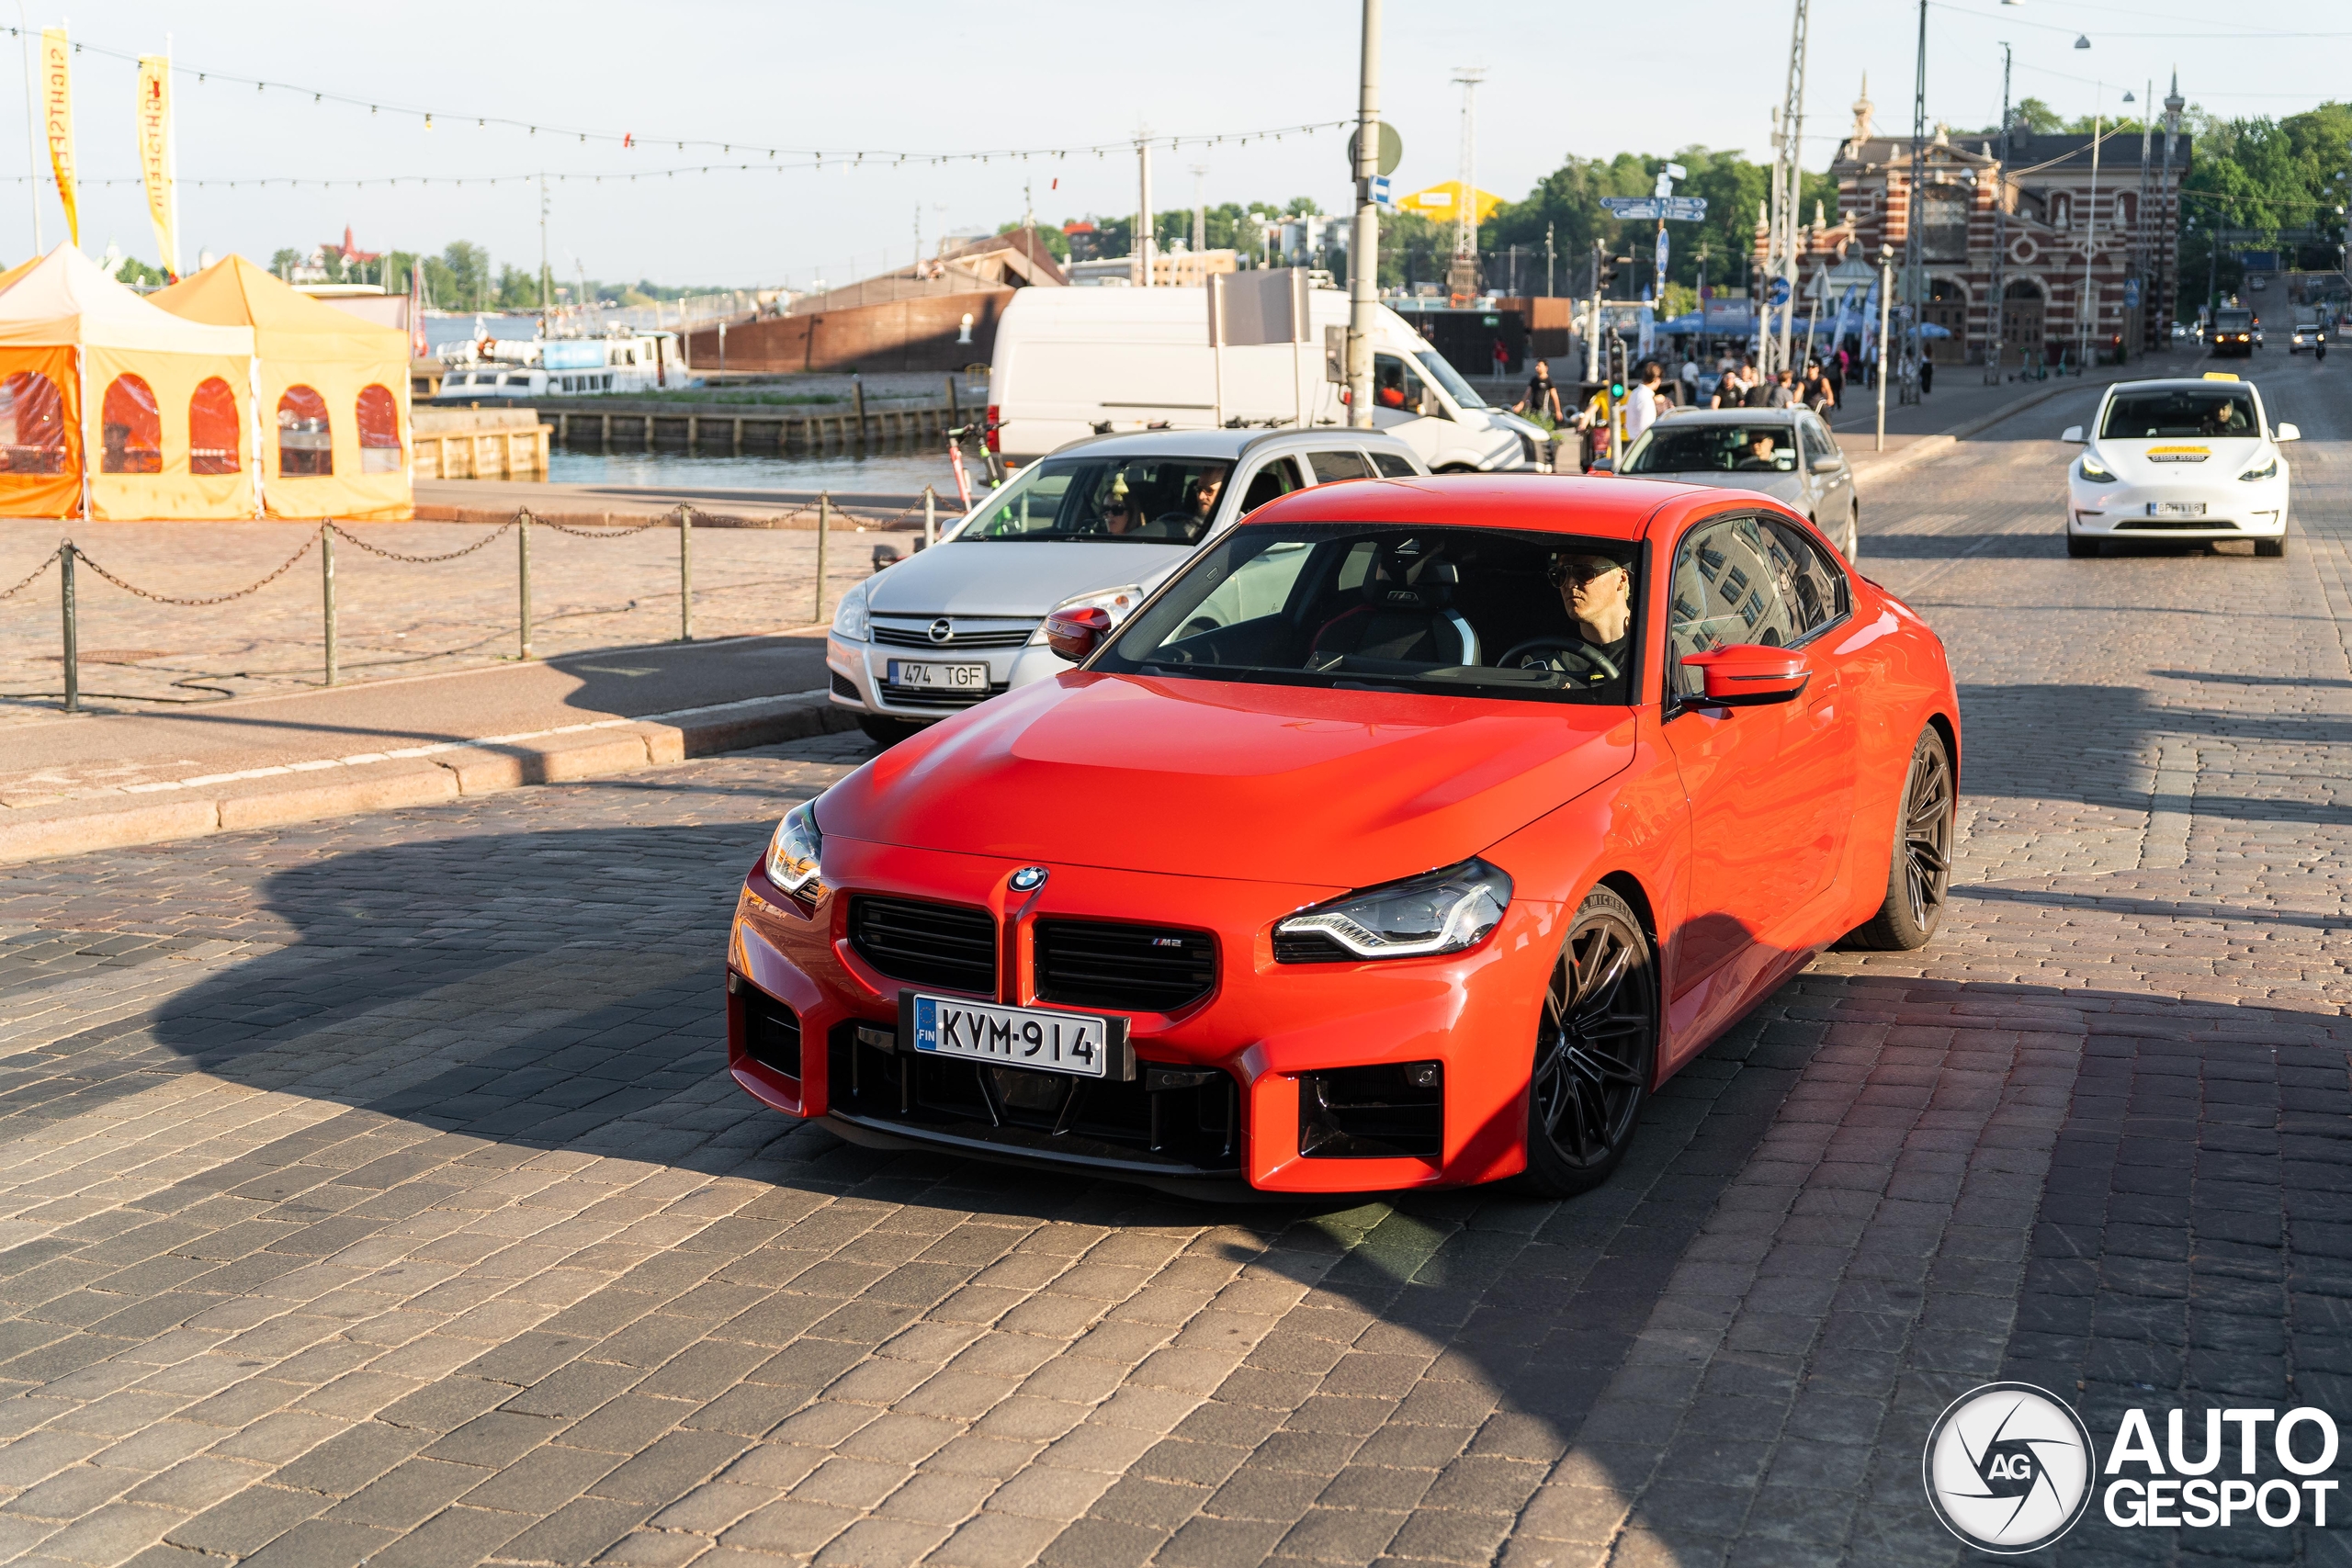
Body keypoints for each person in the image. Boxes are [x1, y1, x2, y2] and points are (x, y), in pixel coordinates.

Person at [1540, 552, 1634, 681]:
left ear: (1622, 579)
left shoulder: (1656, 652)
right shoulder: (1547, 661)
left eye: (1584, 572)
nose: (1570, 584)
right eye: (1561, 574)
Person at [1624, 362, 1662, 444]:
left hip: (1632, 441)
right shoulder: (1645, 398)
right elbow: (1645, 428)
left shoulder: (1634, 393)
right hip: (1641, 443)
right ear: (1657, 380)